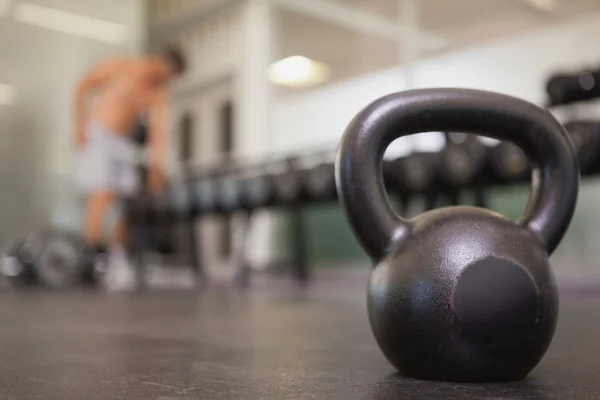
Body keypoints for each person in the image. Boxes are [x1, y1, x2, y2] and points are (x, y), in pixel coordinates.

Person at [73, 46, 186, 290]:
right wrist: (79, 124)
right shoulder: (121, 66)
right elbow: (82, 86)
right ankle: (89, 257)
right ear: (162, 63)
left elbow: (158, 132)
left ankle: (116, 259)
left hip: (122, 144)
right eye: (169, 75)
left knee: (128, 202)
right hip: (100, 134)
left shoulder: (157, 94)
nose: (167, 81)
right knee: (102, 193)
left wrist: (157, 166)